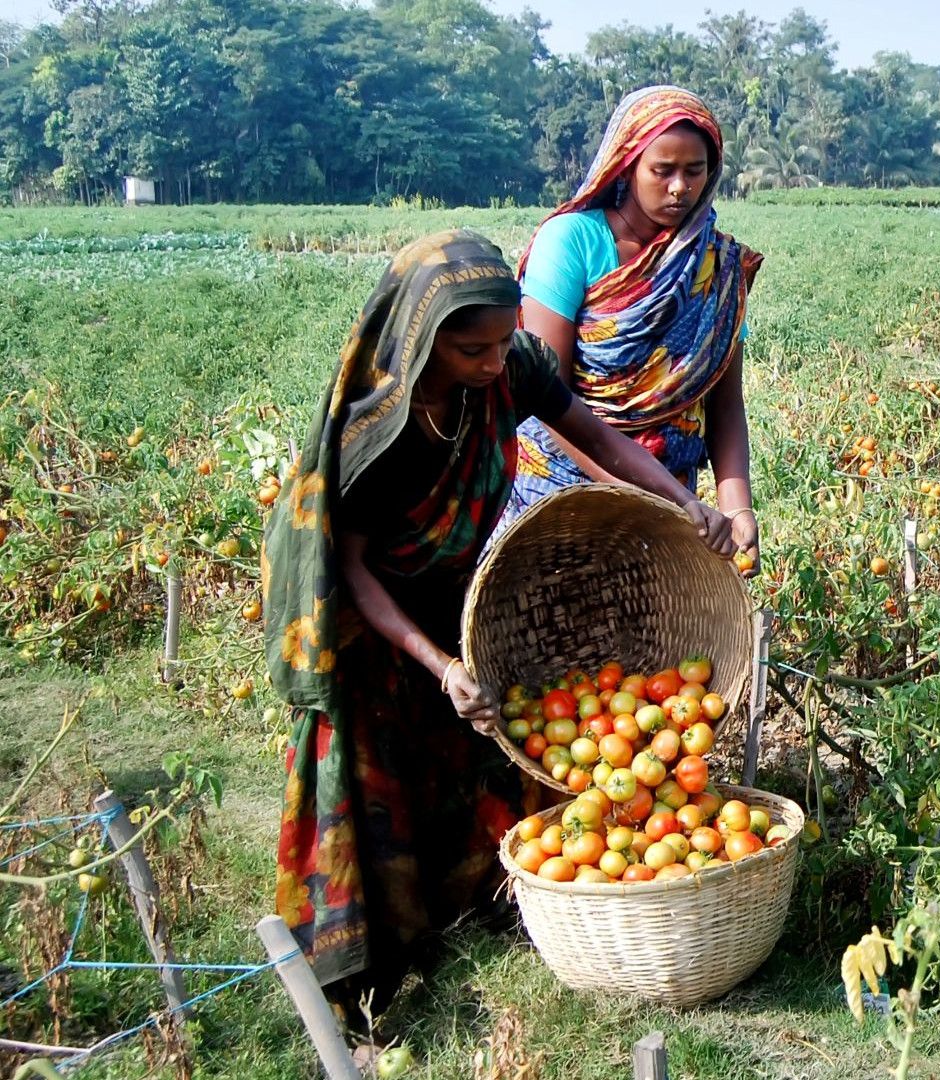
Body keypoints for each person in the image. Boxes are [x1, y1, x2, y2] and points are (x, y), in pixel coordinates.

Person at [264, 230, 735, 1037]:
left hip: (462, 593)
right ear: (422, 341)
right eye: (471, 349)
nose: (493, 362)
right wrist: (438, 662)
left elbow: (593, 435)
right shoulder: (375, 432)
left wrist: (681, 503)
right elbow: (356, 569)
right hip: (373, 623)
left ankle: (481, 907)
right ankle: (363, 980)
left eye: (500, 340)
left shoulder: (515, 366)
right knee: (375, 781)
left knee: (482, 753)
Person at [505, 85, 761, 570]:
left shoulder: (716, 267)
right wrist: (626, 494)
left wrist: (736, 505)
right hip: (564, 483)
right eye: (662, 171)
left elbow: (725, 402)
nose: (679, 187)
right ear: (626, 165)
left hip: (670, 498)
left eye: (694, 171)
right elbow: (548, 397)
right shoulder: (573, 241)